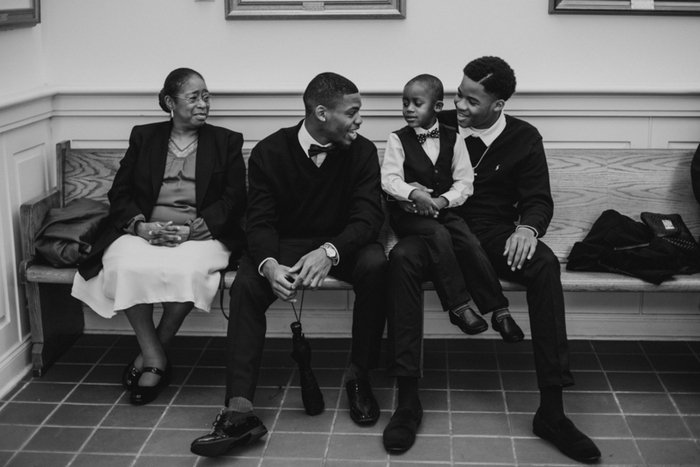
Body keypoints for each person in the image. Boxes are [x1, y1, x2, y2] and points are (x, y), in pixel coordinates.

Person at [384, 57, 601, 464]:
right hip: (434, 228)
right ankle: (408, 401)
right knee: (401, 261)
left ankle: (552, 413)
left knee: (544, 264)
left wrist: (527, 230)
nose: (459, 106)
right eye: (458, 95)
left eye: (471, 100)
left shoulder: (523, 137)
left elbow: (538, 198)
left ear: (498, 105)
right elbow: (396, 174)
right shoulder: (433, 122)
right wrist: (412, 194)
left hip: (493, 233)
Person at [190, 72, 388, 458]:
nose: (360, 120)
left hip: (340, 246)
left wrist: (330, 252)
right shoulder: (268, 152)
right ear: (320, 112)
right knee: (246, 284)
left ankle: (359, 375)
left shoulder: (362, 152)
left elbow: (368, 219)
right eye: (353, 112)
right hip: (282, 245)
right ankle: (239, 411)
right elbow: (259, 221)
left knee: (376, 264)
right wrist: (268, 265)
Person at [72, 68, 247, 406]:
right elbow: (120, 193)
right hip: (146, 231)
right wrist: (140, 227)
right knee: (123, 264)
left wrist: (192, 229)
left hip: (200, 235)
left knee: (188, 271)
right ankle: (155, 355)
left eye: (207, 96)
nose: (204, 103)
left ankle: (153, 356)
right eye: (194, 97)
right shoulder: (144, 137)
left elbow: (235, 198)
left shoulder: (225, 141)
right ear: (170, 101)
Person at [381, 73, 523, 341]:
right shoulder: (397, 139)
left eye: (416, 103)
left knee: (467, 239)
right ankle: (459, 306)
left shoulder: (454, 138)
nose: (408, 109)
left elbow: (465, 182)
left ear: (436, 107)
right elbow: (389, 179)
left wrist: (442, 201)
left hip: (444, 209)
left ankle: (498, 309)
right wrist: (413, 194)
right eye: (404, 103)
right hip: (408, 215)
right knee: (438, 234)